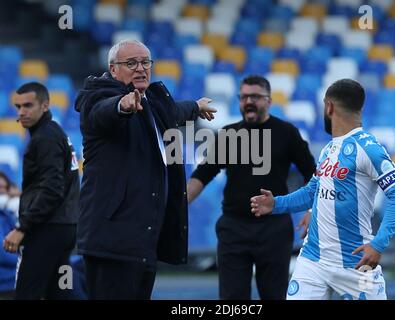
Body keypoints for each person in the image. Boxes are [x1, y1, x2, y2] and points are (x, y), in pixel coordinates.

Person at [74, 39, 216, 300]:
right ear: (113, 69)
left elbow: (173, 110)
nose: (140, 68)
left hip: (143, 241)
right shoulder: (98, 96)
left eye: (145, 62)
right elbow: (102, 113)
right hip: (112, 242)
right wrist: (122, 106)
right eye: (131, 63)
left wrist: (196, 106)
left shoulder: (153, 102)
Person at [251, 79, 395, 300]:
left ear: (329, 106)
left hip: (356, 262)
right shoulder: (329, 149)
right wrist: (276, 204)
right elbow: (312, 192)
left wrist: (378, 243)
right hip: (313, 260)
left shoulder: (369, 149)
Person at [187, 75, 316, 300]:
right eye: (244, 96)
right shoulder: (228, 134)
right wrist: (177, 205)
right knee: (232, 300)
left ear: (269, 101)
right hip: (233, 228)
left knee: (274, 296)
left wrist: (312, 210)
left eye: (255, 97)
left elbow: (312, 174)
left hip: (274, 229)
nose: (248, 101)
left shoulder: (287, 133)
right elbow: (203, 175)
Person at [2, 82, 80, 299]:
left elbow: (52, 188)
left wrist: (22, 227)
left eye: (28, 105)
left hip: (48, 229)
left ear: (45, 105)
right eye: (18, 107)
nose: (21, 112)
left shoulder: (45, 137)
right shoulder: (54, 132)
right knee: (59, 294)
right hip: (64, 227)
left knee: (28, 293)